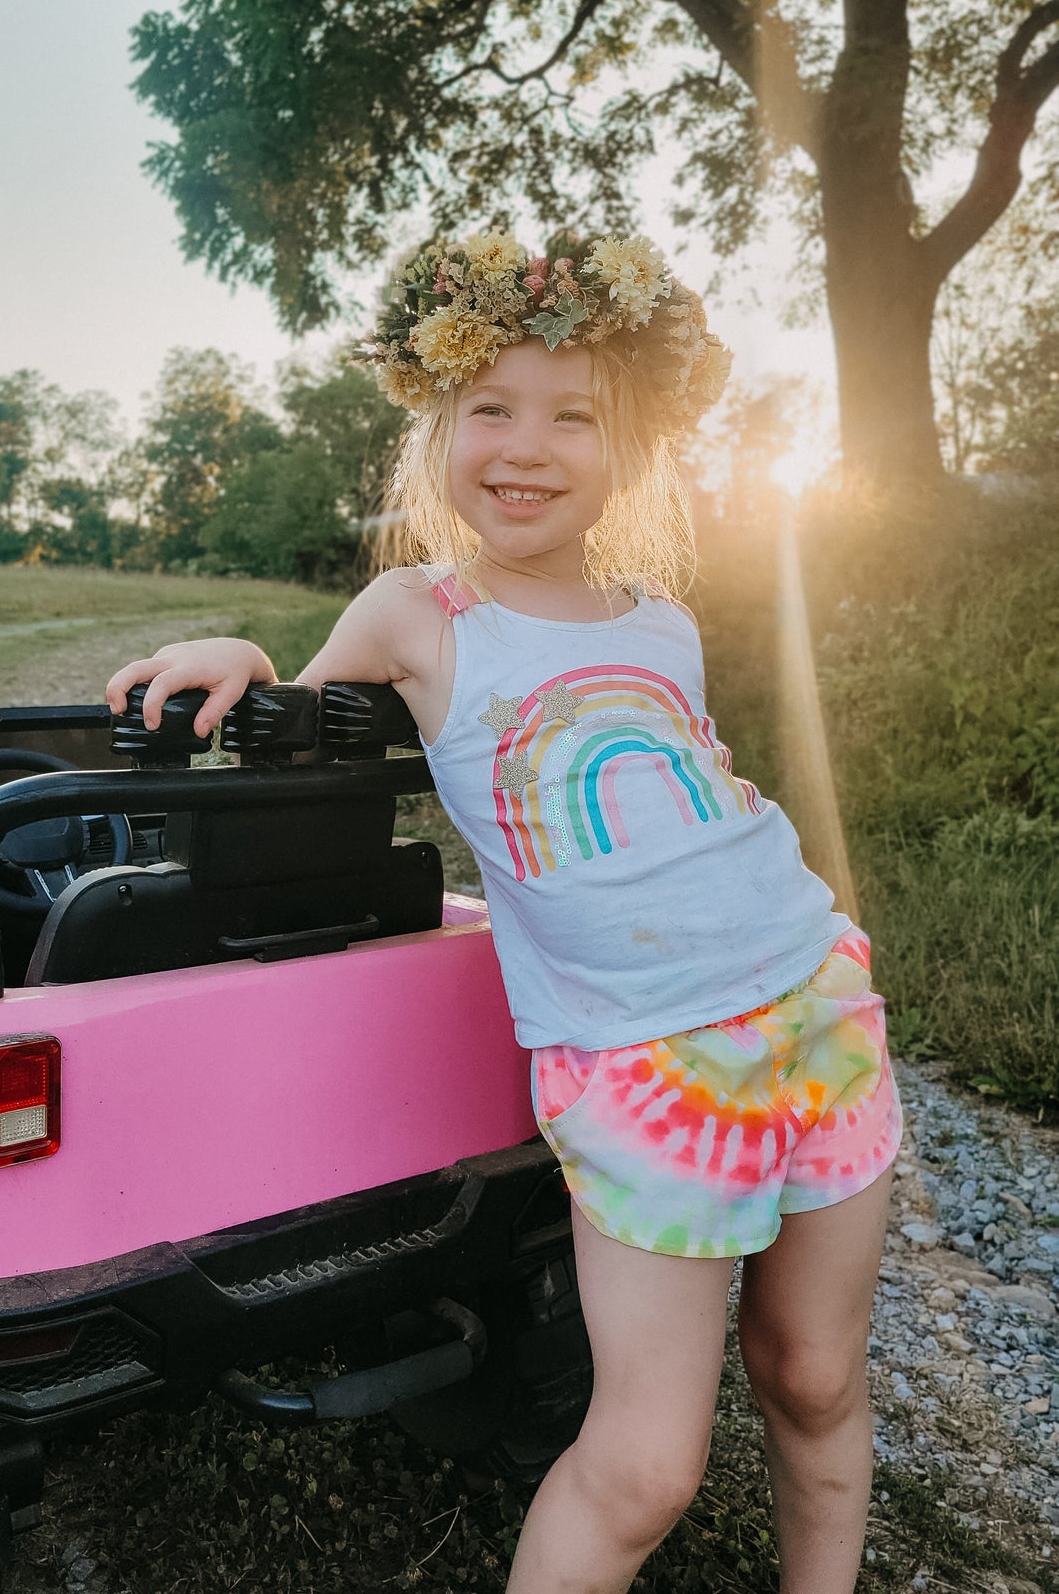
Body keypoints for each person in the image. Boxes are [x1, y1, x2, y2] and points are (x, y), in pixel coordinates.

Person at [106, 231, 901, 1594]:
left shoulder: (658, 619)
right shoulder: (421, 610)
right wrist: (241, 658)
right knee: (647, 1464)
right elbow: (301, 723)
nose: (526, 447)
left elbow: (688, 792)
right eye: (491, 408)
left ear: (626, 449)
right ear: (435, 426)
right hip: (646, 1067)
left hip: (815, 999)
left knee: (814, 1376)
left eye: (571, 415)